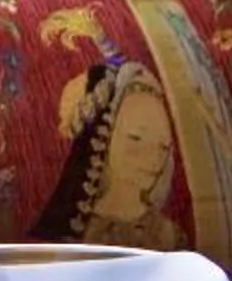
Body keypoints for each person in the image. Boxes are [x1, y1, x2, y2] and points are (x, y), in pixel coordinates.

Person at [31, 53, 188, 251]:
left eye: (163, 146)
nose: (153, 158)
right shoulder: (66, 230)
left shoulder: (167, 235)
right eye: (136, 138)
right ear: (104, 135)